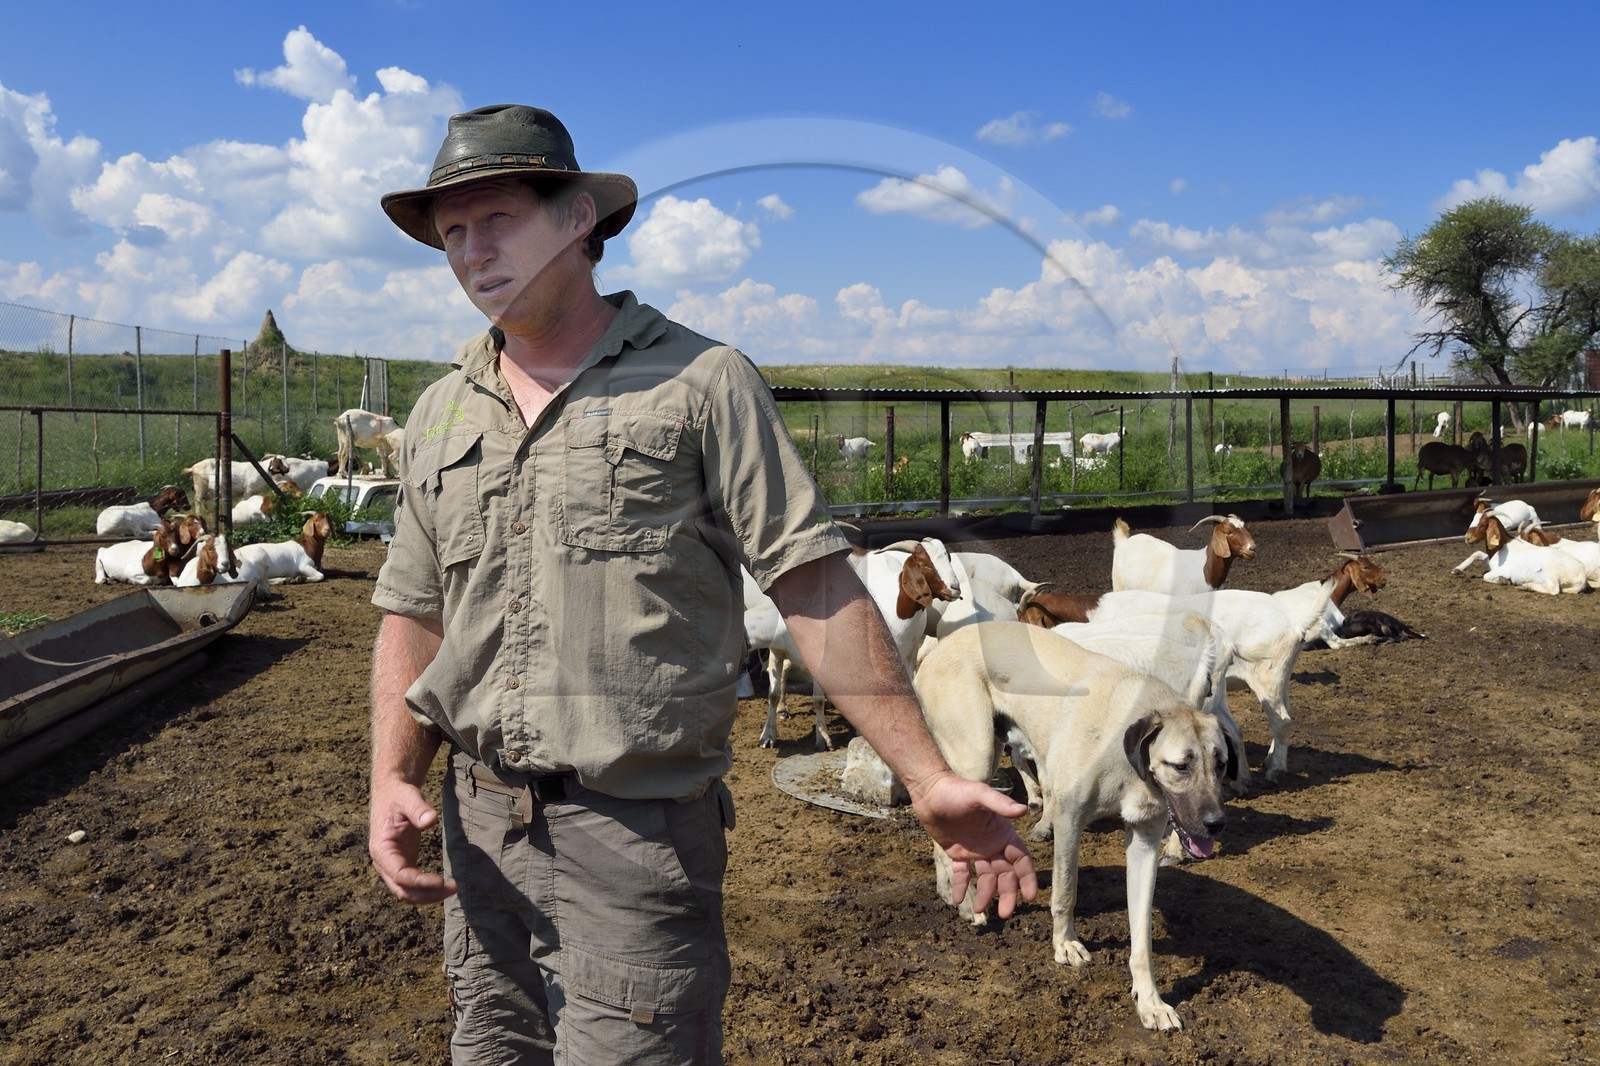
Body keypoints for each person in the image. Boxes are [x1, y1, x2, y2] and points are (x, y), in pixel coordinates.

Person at [367, 103, 1036, 1065]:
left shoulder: (701, 383)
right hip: (478, 836)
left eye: (498, 220)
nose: (472, 252)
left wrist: (926, 775)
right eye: (453, 233)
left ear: (577, 221)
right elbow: (415, 610)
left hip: (633, 840)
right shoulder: (439, 412)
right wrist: (395, 775)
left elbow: (811, 586)